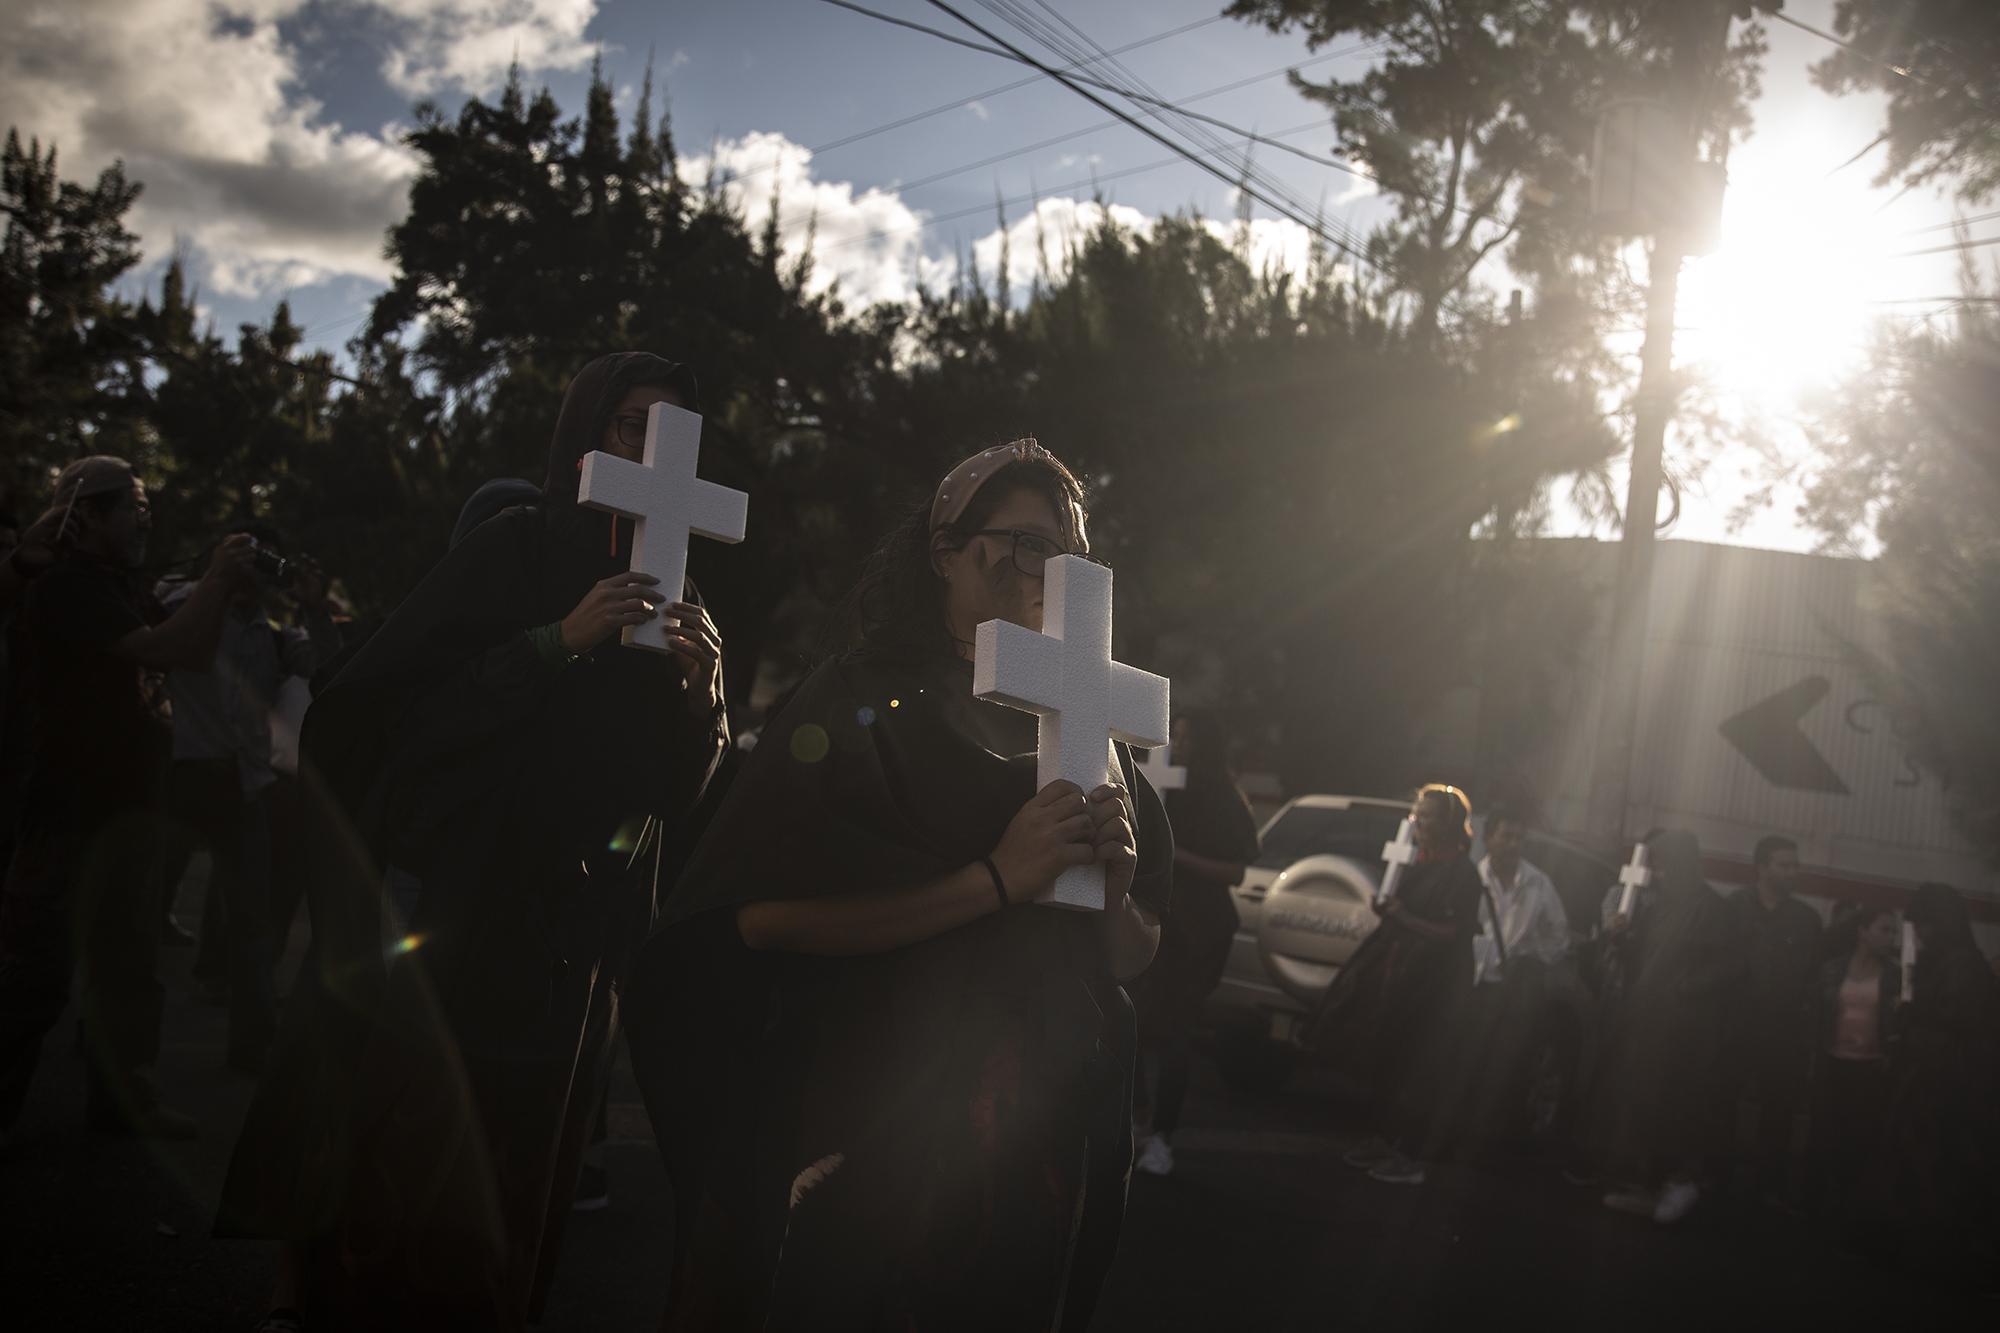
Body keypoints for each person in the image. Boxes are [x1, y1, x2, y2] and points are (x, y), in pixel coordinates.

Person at [216, 353, 731, 1332]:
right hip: (458, 909)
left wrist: (699, 699)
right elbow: (395, 715)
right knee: (403, 1168)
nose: (649, 450)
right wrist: (556, 640)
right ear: (586, 432)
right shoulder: (515, 547)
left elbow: (675, 795)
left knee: (510, 1193)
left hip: (570, 947)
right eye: (630, 424)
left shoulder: (683, 596)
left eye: (672, 430)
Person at [626, 437, 1172, 1332]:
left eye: (1069, 552)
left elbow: (1138, 951)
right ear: (946, 550)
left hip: (1048, 1131)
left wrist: (1111, 891)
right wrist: (996, 879)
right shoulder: (854, 699)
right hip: (878, 1120)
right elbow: (759, 919)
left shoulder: (1095, 725)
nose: (1049, 571)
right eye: (1024, 541)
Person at [0, 456, 256, 1137]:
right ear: (86, 515)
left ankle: (122, 1104)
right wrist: (218, 577)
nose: (145, 517)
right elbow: (162, 646)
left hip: (129, 808)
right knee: (34, 978)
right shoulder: (66, 587)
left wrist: (223, 590)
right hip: (69, 813)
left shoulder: (115, 584)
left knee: (128, 971)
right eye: (131, 506)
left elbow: (193, 651)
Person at [155, 524, 340, 1069]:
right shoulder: (182, 604)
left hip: (242, 786)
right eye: (248, 557)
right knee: (139, 918)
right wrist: (214, 575)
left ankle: (252, 1048)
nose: (256, 571)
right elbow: (158, 635)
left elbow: (333, 670)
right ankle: (105, 1045)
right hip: (178, 776)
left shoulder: (276, 635)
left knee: (255, 927)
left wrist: (317, 606)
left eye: (265, 562)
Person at [1308, 783, 1484, 1188]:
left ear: (1450, 823)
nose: (1418, 822)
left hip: (1435, 985)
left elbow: (1451, 931)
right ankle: (1384, 1138)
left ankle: (1411, 1154)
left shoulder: (1462, 874)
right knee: (1389, 1060)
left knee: (1418, 1069)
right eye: (1416, 814)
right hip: (1401, 976)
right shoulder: (1420, 863)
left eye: (1428, 816)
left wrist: (1402, 917)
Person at [1132, 711, 1260, 1177]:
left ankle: (1163, 1137)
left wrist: (1177, 855)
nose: (1177, 742)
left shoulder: (1224, 799)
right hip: (1159, 920)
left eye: (1186, 736)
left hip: (1200, 931)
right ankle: (1141, 1117)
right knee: (1136, 1020)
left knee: (1174, 1032)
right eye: (1176, 734)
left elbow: (1236, 871)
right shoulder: (1163, 784)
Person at [1592, 829, 1742, 1225]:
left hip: (1686, 1029)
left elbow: (1729, 965)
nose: (1655, 872)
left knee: (1677, 1107)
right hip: (1649, 1021)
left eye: (1661, 863)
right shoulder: (1657, 904)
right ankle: (1644, 1184)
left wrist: (1685, 988)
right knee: (1646, 1104)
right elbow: (1640, 953)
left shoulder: (1712, 908)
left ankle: (1675, 1183)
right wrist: (1621, 939)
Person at [1412, 803, 1571, 1169]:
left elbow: (1559, 937)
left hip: (1510, 995)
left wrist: (1531, 956)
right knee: (1456, 1069)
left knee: (1498, 1073)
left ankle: (1477, 1150)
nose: (1513, 844)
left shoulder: (1538, 884)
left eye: (1519, 838)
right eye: (1506, 836)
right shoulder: (1472, 880)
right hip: (1467, 989)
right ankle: (1441, 1146)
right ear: (1489, 838)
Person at [1879, 882, 2000, 1281]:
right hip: (1928, 1082)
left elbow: (1959, 1027)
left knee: (1936, 1169)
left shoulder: (1963, 965)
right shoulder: (1950, 961)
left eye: (1926, 926)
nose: (1920, 935)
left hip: (1946, 1087)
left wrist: (1911, 1025)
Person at [1719, 833, 1822, 1205]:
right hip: (1735, 1026)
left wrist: (1805, 1029)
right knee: (1722, 1102)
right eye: (1784, 864)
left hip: (1783, 1034)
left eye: (1795, 865)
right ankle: (1717, 1179)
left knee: (1777, 1111)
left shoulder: (1807, 921)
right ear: (1761, 868)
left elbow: (1813, 980)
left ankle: (1768, 1188)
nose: (1792, 872)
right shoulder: (1733, 909)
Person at [1806, 903, 1900, 1224]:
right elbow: (1819, 1016)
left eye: (1894, 931)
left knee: (1860, 1140)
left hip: (1870, 1069)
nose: (1891, 937)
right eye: (1884, 929)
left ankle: (1849, 1209)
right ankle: (1818, 1206)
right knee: (1827, 1134)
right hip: (1834, 1062)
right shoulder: (1833, 969)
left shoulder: (1894, 975)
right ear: (1862, 932)